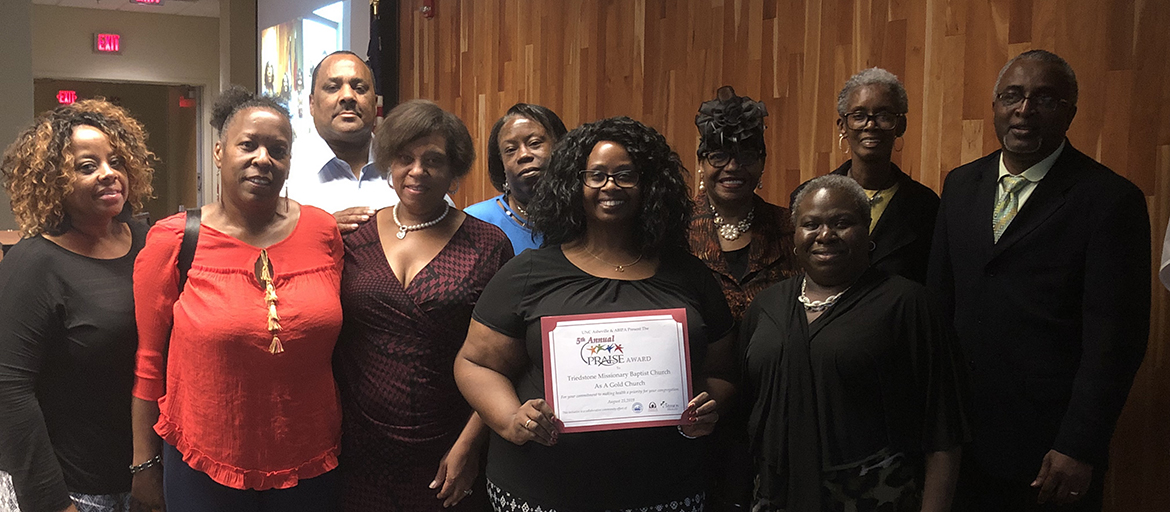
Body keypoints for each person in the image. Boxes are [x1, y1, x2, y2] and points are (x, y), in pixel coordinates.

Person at [454, 116, 737, 512]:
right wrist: (510, 419)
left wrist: (711, 406)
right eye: (597, 175)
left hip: (664, 489)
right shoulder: (528, 272)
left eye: (625, 175)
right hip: (543, 490)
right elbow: (475, 363)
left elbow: (723, 371)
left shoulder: (689, 275)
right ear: (574, 183)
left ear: (649, 185)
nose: (611, 186)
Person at [928, 50, 1150, 511]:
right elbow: (939, 305)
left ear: (1071, 111)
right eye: (1013, 96)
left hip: (1049, 452)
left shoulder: (1110, 200)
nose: (1024, 110)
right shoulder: (961, 184)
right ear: (995, 106)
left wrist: (1080, 444)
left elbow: (1116, 339)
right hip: (960, 439)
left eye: (1044, 99)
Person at [130, 86, 344, 512]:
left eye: (277, 150)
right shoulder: (174, 240)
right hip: (203, 461)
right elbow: (149, 360)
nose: (262, 158)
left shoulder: (322, 231)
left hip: (311, 459)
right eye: (248, 145)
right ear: (219, 152)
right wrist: (143, 464)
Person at [742, 174, 966, 512]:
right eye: (810, 224)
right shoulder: (766, 306)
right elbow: (746, 405)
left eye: (842, 223)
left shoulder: (907, 303)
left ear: (867, 229)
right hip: (776, 495)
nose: (825, 235)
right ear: (795, 236)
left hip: (871, 495)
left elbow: (944, 429)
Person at [334, 99, 513, 511]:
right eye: (405, 158)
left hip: (449, 448)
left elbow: (506, 361)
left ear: (454, 172)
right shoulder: (351, 235)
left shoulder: (488, 246)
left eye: (433, 160)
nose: (417, 171)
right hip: (358, 451)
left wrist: (469, 447)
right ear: (389, 164)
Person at [0, 99, 155, 512]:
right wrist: (53, 503)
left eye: (115, 161)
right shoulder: (34, 264)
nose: (109, 174)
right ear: (53, 181)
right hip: (79, 491)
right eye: (87, 166)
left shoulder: (149, 241)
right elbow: (10, 392)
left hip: (149, 475)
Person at [689, 85, 797, 321]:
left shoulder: (791, 229)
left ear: (762, 162)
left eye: (746, 155)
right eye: (718, 156)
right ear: (700, 163)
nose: (732, 167)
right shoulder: (674, 230)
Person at [821, 67, 938, 284]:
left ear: (900, 125)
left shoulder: (927, 208)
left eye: (884, 116)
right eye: (859, 116)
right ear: (843, 126)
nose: (871, 125)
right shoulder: (813, 198)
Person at [286, 50, 388, 233]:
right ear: (311, 104)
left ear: (374, 103)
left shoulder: (406, 166)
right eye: (333, 87)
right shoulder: (283, 169)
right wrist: (316, 232)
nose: (347, 96)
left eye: (359, 88)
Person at [464, 103, 568, 253]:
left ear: (561, 147)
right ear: (501, 165)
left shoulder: (587, 217)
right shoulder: (474, 222)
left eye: (535, 143)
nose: (524, 155)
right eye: (511, 150)